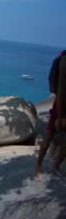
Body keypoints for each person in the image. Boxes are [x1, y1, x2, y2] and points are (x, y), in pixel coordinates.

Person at [35, 51, 66, 181]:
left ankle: (56, 166)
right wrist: (60, 116)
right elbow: (61, 88)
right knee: (49, 134)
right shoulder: (64, 60)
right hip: (62, 105)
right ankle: (38, 166)